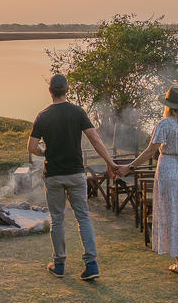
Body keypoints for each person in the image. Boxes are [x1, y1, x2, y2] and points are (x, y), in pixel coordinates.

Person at [28, 74, 121, 280]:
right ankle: (91, 264)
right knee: (83, 217)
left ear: (50, 91)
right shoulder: (78, 112)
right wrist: (110, 162)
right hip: (76, 174)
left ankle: (59, 265)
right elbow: (95, 139)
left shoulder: (42, 116)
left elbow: (32, 147)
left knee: (58, 219)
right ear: (66, 90)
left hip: (53, 175)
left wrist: (46, 152)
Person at [121, 86, 178, 282]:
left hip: (169, 169)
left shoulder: (164, 124)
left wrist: (129, 167)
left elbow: (150, 152)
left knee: (173, 214)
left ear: (168, 106)